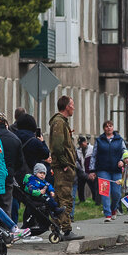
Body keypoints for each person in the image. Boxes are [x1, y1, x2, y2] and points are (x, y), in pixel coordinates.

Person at [48, 96, 78, 239]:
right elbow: (58, 146)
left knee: (60, 199)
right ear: (66, 106)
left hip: (64, 166)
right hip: (63, 168)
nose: (73, 107)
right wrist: (65, 163)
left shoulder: (61, 122)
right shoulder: (59, 123)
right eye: (72, 105)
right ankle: (66, 229)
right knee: (65, 198)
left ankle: (56, 227)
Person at [0, 113, 26, 218]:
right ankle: (7, 228)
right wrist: (11, 170)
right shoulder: (14, 138)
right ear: (5, 123)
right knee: (6, 204)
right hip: (8, 175)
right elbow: (20, 161)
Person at [93, 120, 126, 222]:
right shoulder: (99, 140)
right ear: (104, 128)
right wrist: (92, 170)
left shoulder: (119, 139)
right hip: (103, 169)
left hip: (116, 170)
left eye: (110, 126)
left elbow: (124, 152)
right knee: (105, 192)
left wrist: (122, 161)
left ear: (113, 127)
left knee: (116, 193)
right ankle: (107, 214)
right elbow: (94, 155)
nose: (109, 128)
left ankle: (113, 209)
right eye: (106, 126)